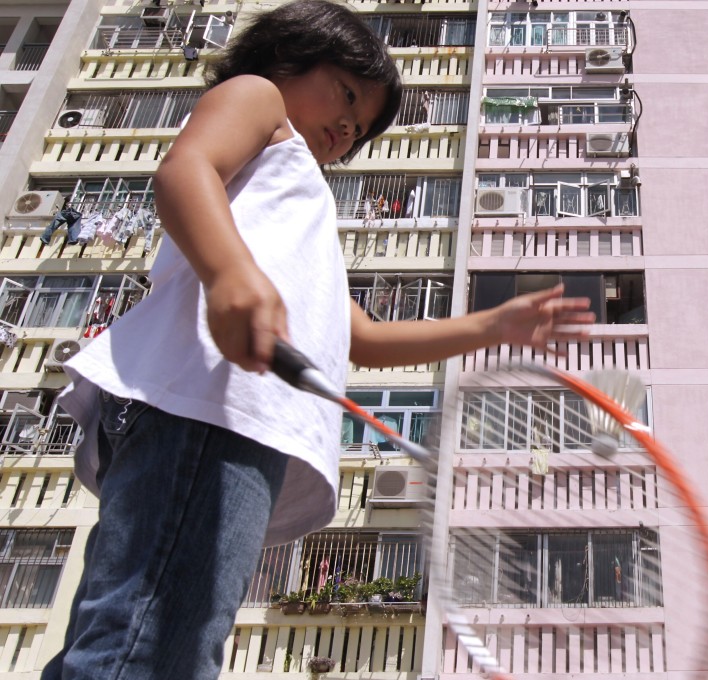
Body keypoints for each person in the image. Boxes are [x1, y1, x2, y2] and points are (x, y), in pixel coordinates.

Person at [41, 2, 593, 679]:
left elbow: (362, 337)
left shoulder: (300, 210)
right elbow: (185, 171)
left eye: (359, 128)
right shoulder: (258, 99)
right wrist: (230, 274)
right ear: (287, 55)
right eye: (347, 93)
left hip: (229, 422)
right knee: (151, 648)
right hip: (207, 406)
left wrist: (490, 327)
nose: (346, 127)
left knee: (139, 633)